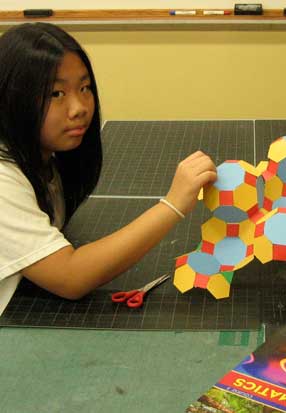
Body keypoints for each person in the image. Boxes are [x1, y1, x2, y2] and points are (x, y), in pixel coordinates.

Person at [0, 23, 217, 315]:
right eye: (56, 94)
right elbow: (70, 277)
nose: (79, 107)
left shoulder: (43, 156)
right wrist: (173, 205)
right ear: (12, 98)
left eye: (84, 87)